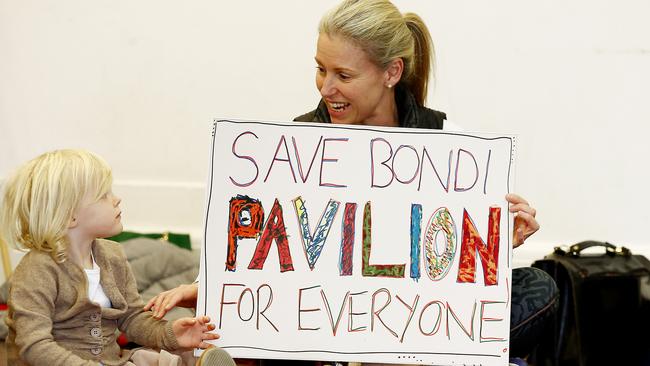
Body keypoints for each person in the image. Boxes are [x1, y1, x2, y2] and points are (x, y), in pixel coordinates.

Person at [146, 0, 558, 363]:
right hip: (328, 321)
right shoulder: (296, 143)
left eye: (343, 75)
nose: (327, 88)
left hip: (412, 318)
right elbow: (265, 245)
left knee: (541, 288)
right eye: (320, 69)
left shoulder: (444, 141)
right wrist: (206, 286)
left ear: (391, 72)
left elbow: (452, 268)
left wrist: (498, 241)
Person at [0, 149, 234, 366]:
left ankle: (192, 360)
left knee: (167, 355)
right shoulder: (37, 270)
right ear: (70, 216)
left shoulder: (112, 255)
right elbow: (34, 345)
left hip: (113, 359)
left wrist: (171, 333)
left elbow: (132, 318)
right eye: (104, 195)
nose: (116, 199)